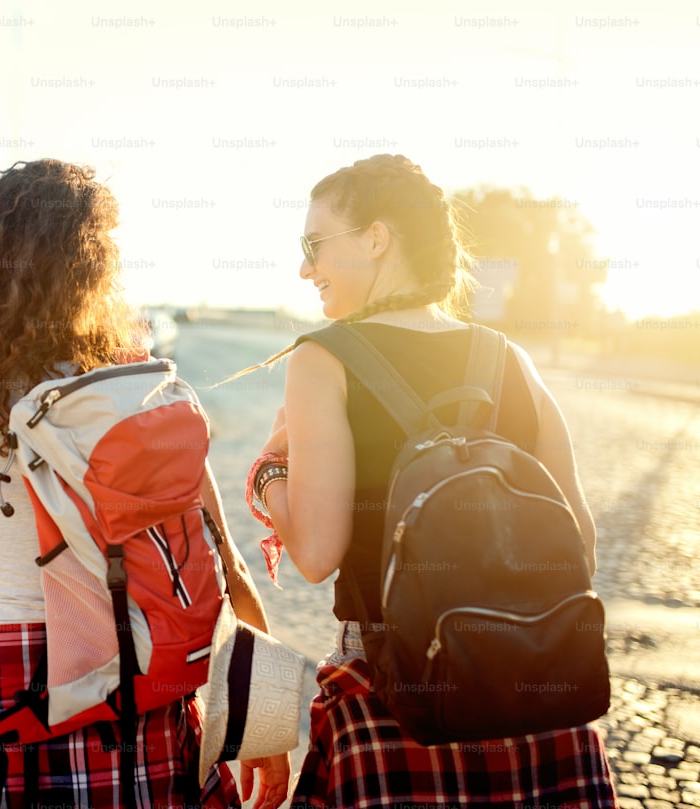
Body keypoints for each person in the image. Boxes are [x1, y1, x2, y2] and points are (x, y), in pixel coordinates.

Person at [0, 159, 290, 809]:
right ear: (95, 275)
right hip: (135, 675)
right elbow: (224, 569)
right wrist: (265, 722)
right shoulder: (143, 394)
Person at [247, 154, 617, 808]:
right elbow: (580, 541)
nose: (306, 267)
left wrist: (271, 473)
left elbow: (315, 553)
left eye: (314, 245)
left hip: (398, 697)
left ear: (377, 239)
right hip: (536, 699)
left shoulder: (323, 358)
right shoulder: (509, 358)